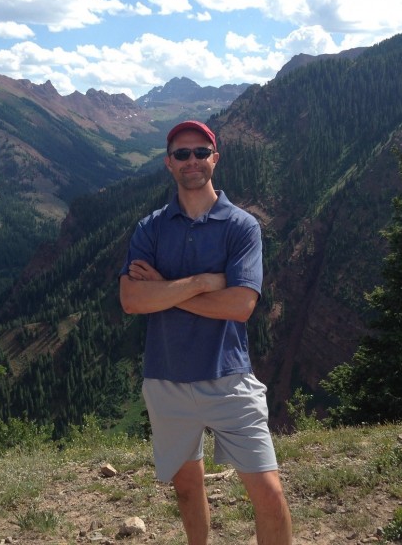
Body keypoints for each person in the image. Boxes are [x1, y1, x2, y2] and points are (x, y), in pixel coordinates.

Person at [119, 120, 293, 545]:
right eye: (182, 154)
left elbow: (240, 306)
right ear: (168, 164)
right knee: (186, 487)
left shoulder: (241, 226)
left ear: (215, 158)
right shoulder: (150, 227)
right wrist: (200, 283)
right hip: (166, 379)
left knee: (269, 493)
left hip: (230, 376)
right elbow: (131, 300)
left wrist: (163, 288)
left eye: (200, 152)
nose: (191, 161)